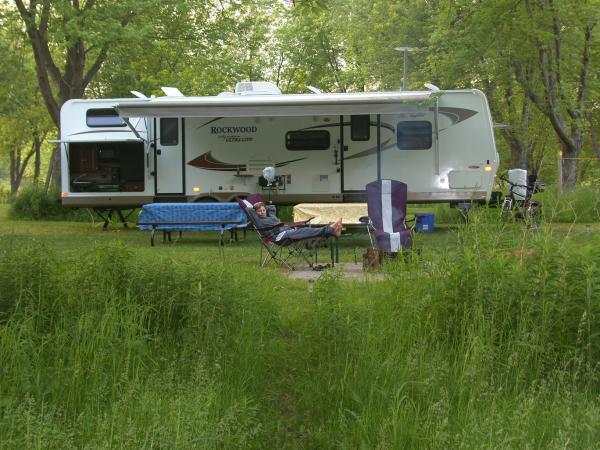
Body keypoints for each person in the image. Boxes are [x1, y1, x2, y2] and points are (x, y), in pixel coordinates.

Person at [247, 201, 342, 243]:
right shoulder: (260, 221)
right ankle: (331, 228)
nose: (262, 212)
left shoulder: (270, 216)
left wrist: (262, 206)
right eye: (259, 211)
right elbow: (248, 209)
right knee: (305, 231)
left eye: (263, 210)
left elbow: (272, 207)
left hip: (285, 231)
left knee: (306, 230)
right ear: (255, 213)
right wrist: (256, 207)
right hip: (279, 238)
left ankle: (332, 231)